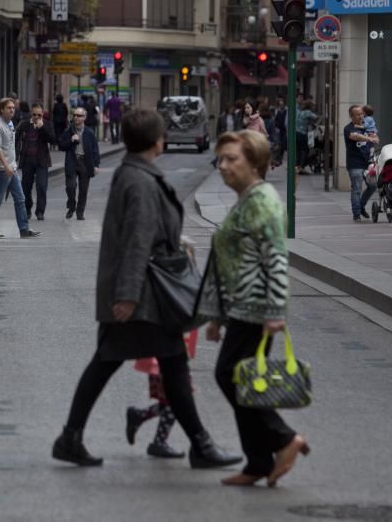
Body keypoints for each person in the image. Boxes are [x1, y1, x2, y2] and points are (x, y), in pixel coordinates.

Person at [52, 109, 242, 469]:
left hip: (140, 292)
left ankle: (71, 437)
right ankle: (200, 445)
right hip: (143, 296)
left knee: (143, 364)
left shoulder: (134, 174)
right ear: (158, 141)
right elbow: (137, 240)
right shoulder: (139, 181)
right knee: (160, 365)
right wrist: (126, 295)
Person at [202, 130, 308, 487]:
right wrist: (218, 316)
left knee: (232, 376)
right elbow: (229, 260)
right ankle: (259, 462)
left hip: (257, 307)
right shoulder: (247, 198)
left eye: (233, 159)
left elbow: (276, 259)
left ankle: (282, 440)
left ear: (256, 163)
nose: (223, 166)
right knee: (241, 379)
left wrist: (276, 311)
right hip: (241, 307)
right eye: (221, 159)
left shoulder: (262, 201)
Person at [125, 331, 200, 459]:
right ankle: (158, 441)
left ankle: (140, 416)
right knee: (178, 397)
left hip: (170, 347)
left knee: (173, 399)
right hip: (166, 349)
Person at [0, 98, 41, 238]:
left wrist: (12, 165)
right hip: (2, 170)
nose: (12, 110)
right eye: (9, 108)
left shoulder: (10, 123)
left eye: (13, 107)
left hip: (12, 168)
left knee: (20, 199)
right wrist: (6, 166)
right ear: (1, 110)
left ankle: (24, 229)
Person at [58, 107, 101, 220]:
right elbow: (61, 145)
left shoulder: (89, 132)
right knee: (70, 186)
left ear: (84, 118)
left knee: (83, 189)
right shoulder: (69, 131)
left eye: (79, 115)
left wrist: (96, 165)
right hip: (72, 161)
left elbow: (95, 150)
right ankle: (71, 206)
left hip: (85, 163)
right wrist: (71, 140)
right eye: (75, 115)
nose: (76, 117)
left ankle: (80, 212)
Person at [16, 102, 55, 221]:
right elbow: (16, 140)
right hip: (27, 160)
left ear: (42, 114)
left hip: (42, 161)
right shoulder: (24, 124)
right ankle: (28, 208)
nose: (37, 117)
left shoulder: (47, 124)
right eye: (34, 114)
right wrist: (15, 156)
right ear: (31, 114)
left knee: (42, 187)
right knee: (26, 188)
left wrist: (42, 128)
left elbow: (52, 139)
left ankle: (40, 211)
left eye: (39, 115)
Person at [345, 106, 379, 222]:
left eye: (362, 114)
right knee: (357, 189)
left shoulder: (367, 127)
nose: (361, 116)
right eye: (358, 114)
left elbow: (376, 138)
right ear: (351, 116)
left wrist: (373, 137)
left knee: (373, 185)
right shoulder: (348, 128)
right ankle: (357, 214)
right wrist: (368, 139)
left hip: (368, 163)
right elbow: (354, 136)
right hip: (355, 164)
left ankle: (361, 206)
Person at [295, 101, 318, 174]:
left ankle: (297, 166)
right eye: (313, 106)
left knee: (298, 151)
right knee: (306, 150)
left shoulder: (298, 112)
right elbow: (316, 117)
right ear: (309, 106)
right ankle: (302, 166)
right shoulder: (307, 112)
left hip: (296, 133)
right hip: (303, 134)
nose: (314, 107)